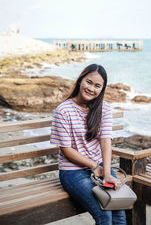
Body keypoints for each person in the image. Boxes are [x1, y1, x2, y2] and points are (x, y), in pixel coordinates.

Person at [50, 64, 127, 225]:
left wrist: (106, 172)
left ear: (102, 89)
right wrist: (94, 166)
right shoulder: (63, 110)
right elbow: (66, 150)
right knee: (104, 214)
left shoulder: (104, 109)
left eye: (97, 86)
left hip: (99, 167)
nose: (92, 88)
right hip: (72, 172)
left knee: (119, 210)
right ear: (80, 80)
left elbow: (105, 141)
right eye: (89, 82)